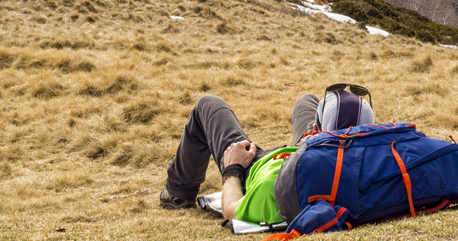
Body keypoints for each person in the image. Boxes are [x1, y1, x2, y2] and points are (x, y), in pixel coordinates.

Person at [160, 84, 375, 220]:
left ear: (317, 131)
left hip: (266, 165)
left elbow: (232, 212)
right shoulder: (378, 168)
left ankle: (177, 192)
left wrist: (233, 168)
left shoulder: (277, 184)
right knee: (307, 100)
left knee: (208, 105)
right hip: (318, 155)